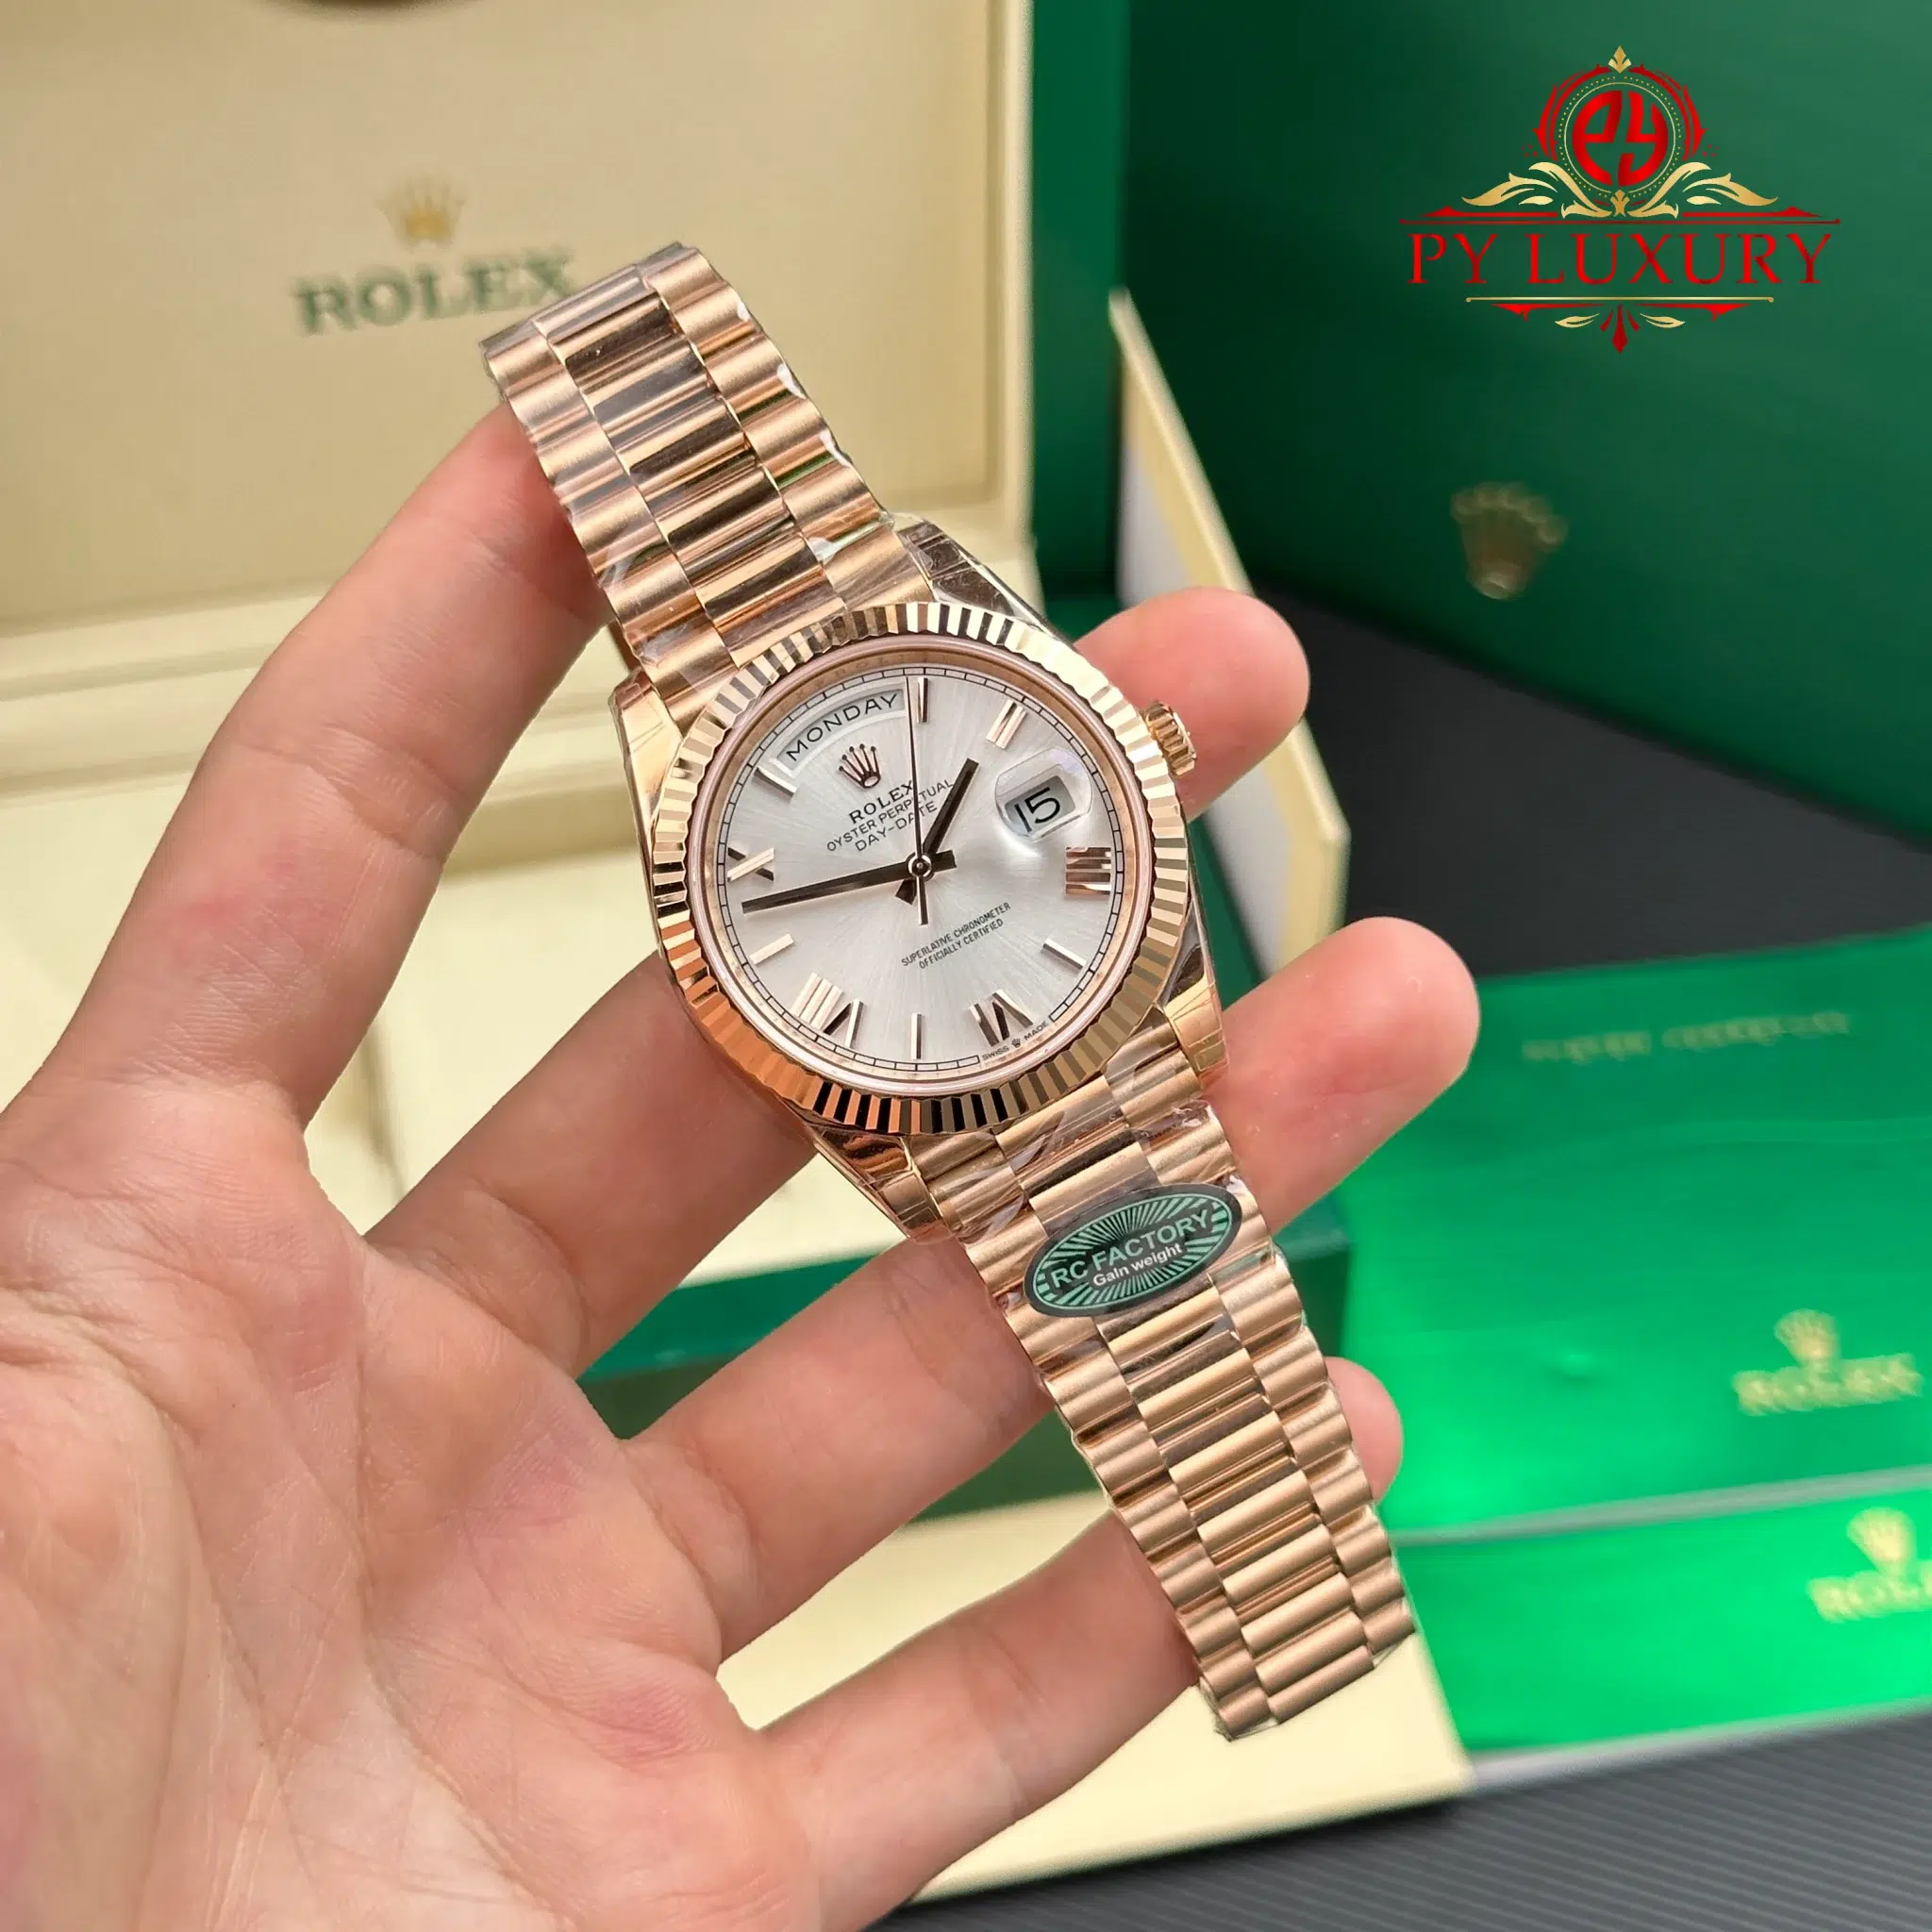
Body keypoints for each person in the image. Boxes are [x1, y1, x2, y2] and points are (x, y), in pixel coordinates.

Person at [0, 410, 1476, 1927]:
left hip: (1083, 1021)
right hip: (969, 1055)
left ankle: (1292, 1583)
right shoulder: (724, 806)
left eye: (932, 851)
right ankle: (1288, 1595)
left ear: (1137, 761)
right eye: (887, 875)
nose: (921, 878)